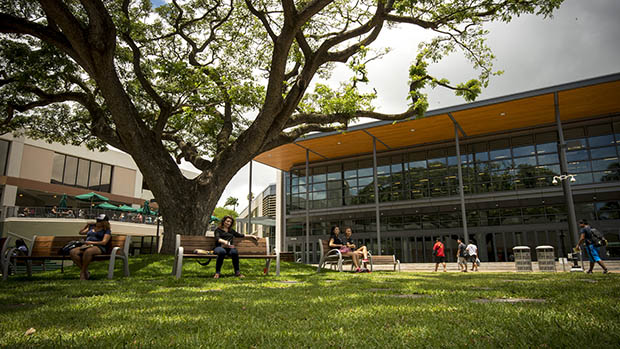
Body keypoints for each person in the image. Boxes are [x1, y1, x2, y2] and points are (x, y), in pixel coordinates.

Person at [70, 214, 111, 280]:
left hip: (98, 247)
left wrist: (91, 242)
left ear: (104, 222)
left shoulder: (106, 230)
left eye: (99, 221)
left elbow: (104, 242)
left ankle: (82, 274)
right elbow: (81, 232)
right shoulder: (91, 227)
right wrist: (87, 225)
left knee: (88, 252)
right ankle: (85, 271)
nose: (97, 222)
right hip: (86, 245)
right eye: (97, 220)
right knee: (73, 252)